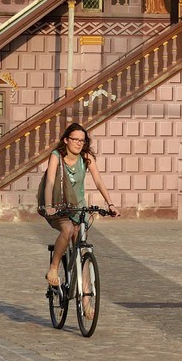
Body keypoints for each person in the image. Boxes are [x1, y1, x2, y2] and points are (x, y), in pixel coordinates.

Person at [39, 123, 120, 288]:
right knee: (68, 229)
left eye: (82, 140)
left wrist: (110, 204)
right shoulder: (57, 155)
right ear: (66, 140)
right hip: (58, 205)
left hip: (78, 207)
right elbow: (50, 181)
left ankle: (85, 298)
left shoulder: (86, 156)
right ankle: (53, 268)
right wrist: (48, 206)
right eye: (75, 139)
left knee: (82, 250)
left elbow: (98, 180)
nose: (78, 143)